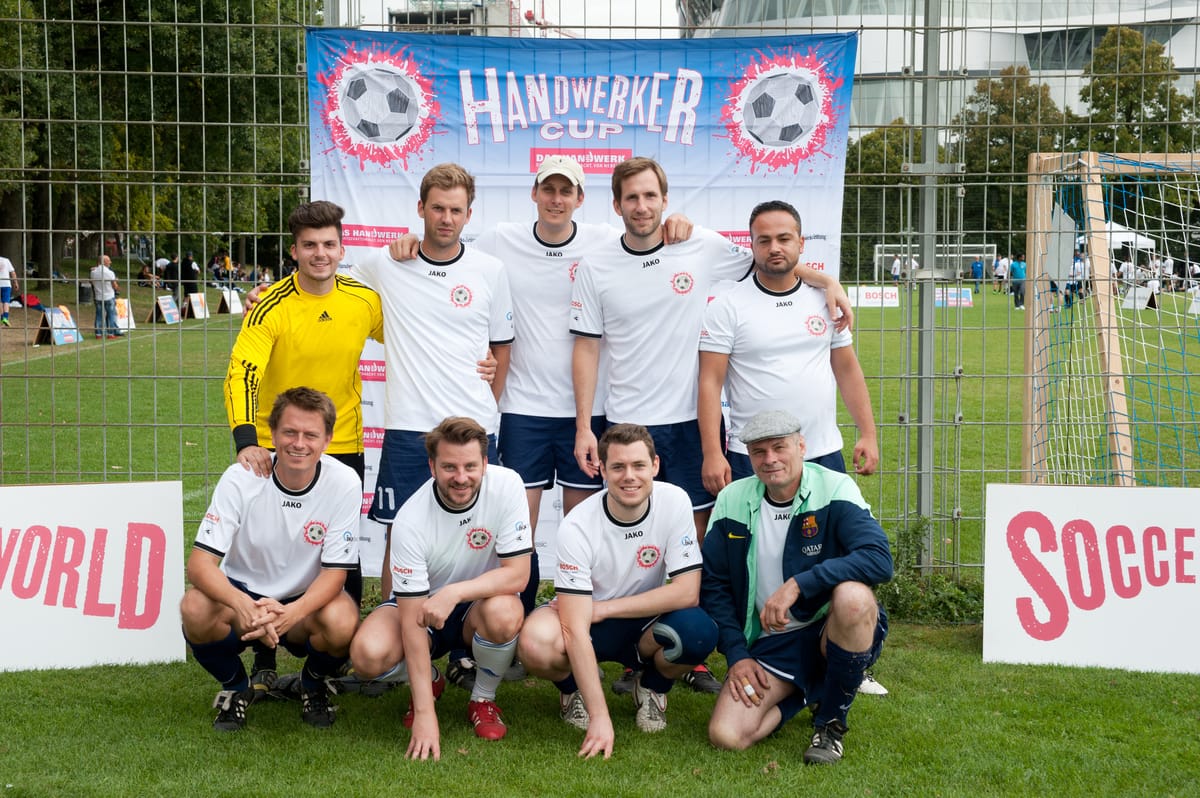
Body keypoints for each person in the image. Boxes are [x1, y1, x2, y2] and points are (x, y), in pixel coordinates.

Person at [570, 156, 848, 695]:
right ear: (616, 204)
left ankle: (689, 652)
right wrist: (585, 426)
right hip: (626, 422)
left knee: (692, 544)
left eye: (651, 196)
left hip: (690, 425)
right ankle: (631, 654)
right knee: (627, 543)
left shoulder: (701, 245)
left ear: (664, 199)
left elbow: (774, 262)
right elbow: (586, 347)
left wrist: (826, 279)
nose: (642, 206)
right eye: (632, 197)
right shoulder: (596, 265)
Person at [351, 163, 513, 606]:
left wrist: (486, 404)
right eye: (438, 208)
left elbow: (502, 348)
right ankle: (393, 628)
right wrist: (264, 294)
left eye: (456, 210)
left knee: (481, 535)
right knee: (399, 531)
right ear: (420, 207)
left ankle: (471, 631)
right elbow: (328, 286)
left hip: (475, 428)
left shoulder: (490, 270)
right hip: (409, 426)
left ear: (468, 214)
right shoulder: (386, 262)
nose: (446, 218)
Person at [702, 410, 893, 764]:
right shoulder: (731, 499)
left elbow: (879, 559)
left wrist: (798, 585)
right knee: (726, 735)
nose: (770, 459)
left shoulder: (834, 487)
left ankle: (830, 724)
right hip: (773, 640)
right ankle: (813, 689)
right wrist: (737, 654)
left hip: (827, 626)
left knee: (854, 598)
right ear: (749, 457)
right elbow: (714, 586)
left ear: (801, 446)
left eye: (780, 447)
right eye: (759, 451)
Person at [517, 423, 718, 759]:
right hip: (589, 624)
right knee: (535, 643)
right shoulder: (577, 525)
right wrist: (601, 718)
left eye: (639, 465)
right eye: (618, 467)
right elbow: (574, 628)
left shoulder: (674, 500)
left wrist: (606, 608)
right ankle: (573, 691)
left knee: (698, 633)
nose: (629, 476)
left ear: (655, 465)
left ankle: (651, 688)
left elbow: (687, 593)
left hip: (640, 620)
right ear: (603, 470)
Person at [348, 416, 532, 759]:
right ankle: (429, 682)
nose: (461, 477)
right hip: (422, 609)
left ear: (485, 463)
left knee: (506, 611)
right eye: (449, 467)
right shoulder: (410, 520)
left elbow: (518, 575)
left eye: (470, 466)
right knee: (367, 656)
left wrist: (455, 592)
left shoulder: (508, 485)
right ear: (432, 466)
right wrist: (425, 714)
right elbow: (411, 622)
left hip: (477, 606)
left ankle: (483, 698)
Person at [180, 387, 362, 731]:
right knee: (194, 607)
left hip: (300, 604)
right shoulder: (241, 477)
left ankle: (311, 684)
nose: (299, 443)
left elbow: (335, 574)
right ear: (273, 434)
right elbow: (199, 565)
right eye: (289, 432)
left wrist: (293, 612)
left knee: (342, 619)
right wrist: (243, 605)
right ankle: (236, 687)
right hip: (242, 597)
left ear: (327, 439)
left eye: (311, 435)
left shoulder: (344, 482)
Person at [699, 199, 878, 497]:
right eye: (764, 240)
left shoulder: (825, 300)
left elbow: (847, 371)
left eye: (784, 239)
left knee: (830, 529)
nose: (775, 248)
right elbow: (709, 382)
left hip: (822, 451)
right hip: (755, 455)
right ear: (752, 246)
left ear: (801, 243)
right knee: (754, 530)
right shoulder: (726, 306)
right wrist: (713, 453)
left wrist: (869, 434)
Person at [89, 255, 124, 339]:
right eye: (108, 261)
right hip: (109, 296)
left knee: (99, 315)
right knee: (111, 315)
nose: (110, 262)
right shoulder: (110, 272)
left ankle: (98, 334)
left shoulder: (93, 272)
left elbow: (92, 282)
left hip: (98, 296)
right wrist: (117, 285)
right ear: (104, 262)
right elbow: (114, 286)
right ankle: (110, 333)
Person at [0, 254, 18, 327]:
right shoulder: (6, 260)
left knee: (0, 302)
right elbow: (12, 272)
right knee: (6, 301)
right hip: (6, 284)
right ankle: (5, 318)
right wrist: (15, 282)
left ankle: (2, 318)